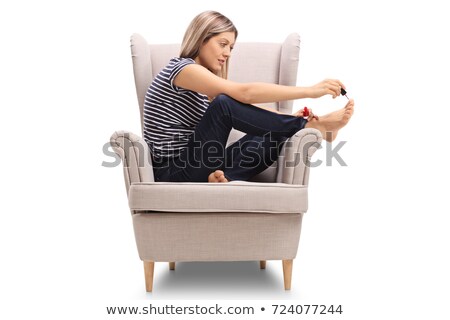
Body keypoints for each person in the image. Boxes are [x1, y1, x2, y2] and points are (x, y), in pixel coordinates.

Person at [143, 10, 354, 183]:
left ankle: (222, 178)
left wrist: (293, 118)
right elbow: (245, 94)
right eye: (222, 44)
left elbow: (251, 112)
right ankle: (306, 127)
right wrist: (310, 91)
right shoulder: (181, 69)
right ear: (201, 39)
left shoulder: (202, 87)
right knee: (225, 104)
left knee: (272, 132)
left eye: (231, 48)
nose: (227, 53)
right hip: (172, 172)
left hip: (198, 164)